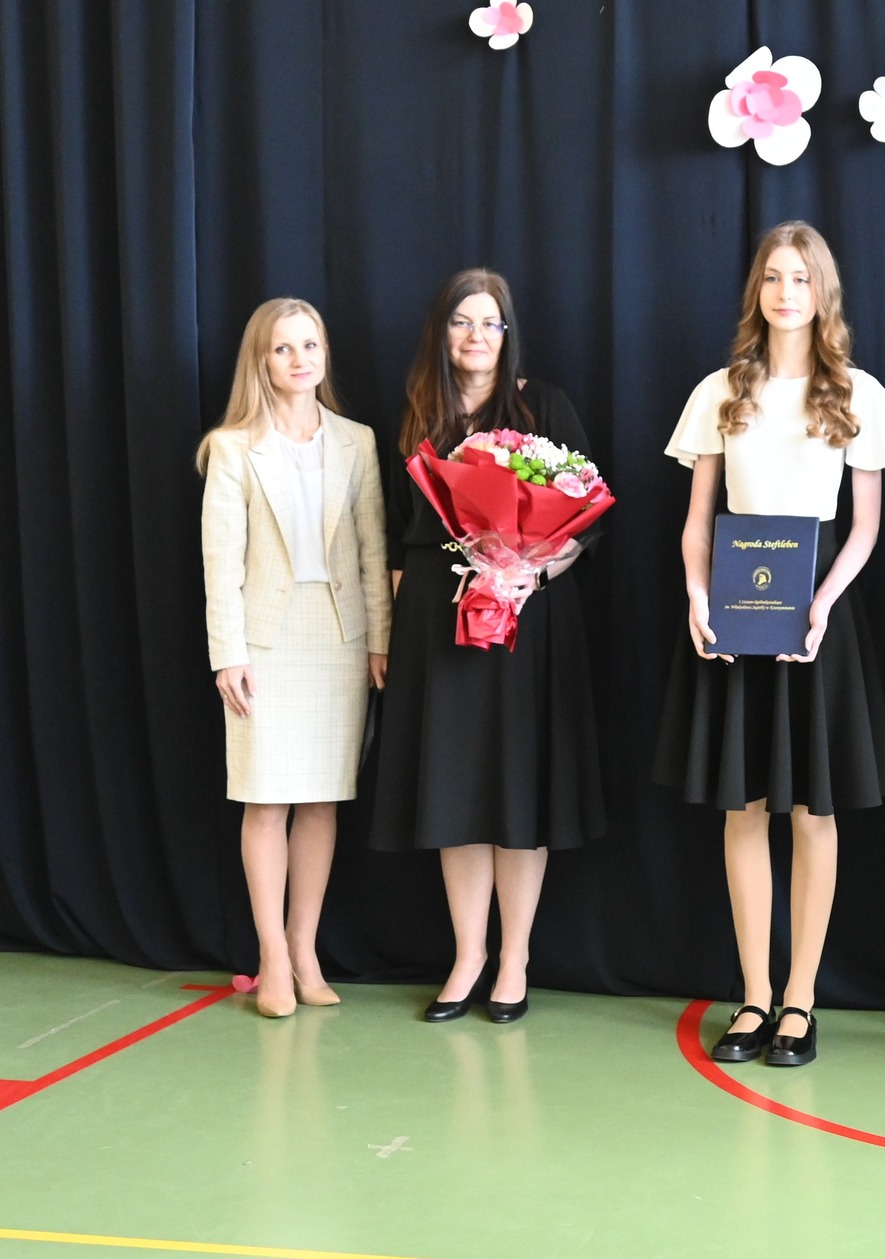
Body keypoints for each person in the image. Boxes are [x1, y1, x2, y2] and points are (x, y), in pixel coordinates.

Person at [654, 221, 885, 1067]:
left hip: (816, 623)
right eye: (773, 276)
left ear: (822, 291)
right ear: (756, 291)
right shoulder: (719, 391)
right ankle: (754, 996)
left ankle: (801, 997)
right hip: (735, 619)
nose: (786, 291)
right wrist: (698, 596)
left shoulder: (859, 394)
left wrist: (823, 603)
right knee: (743, 807)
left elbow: (864, 527)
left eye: (801, 277)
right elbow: (698, 521)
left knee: (812, 810)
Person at [368, 268, 605, 1024]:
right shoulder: (417, 414)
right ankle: (467, 955)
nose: (476, 336)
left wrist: (532, 569)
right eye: (462, 322)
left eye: (490, 323)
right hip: (436, 623)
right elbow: (399, 533)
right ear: (441, 333)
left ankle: (514, 960)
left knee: (517, 789)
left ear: (509, 333)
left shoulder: (544, 405)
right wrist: (393, 631)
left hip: (524, 619)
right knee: (454, 791)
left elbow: (589, 516)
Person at [199, 298, 390, 1019]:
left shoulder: (357, 441)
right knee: (266, 797)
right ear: (262, 360)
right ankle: (272, 956)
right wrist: (228, 654)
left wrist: (381, 638)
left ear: (325, 353)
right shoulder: (232, 447)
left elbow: (372, 549)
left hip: (339, 637)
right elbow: (221, 563)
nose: (299, 358)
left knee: (321, 798)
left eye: (310, 344)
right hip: (264, 643)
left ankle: (306, 951)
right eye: (283, 348)